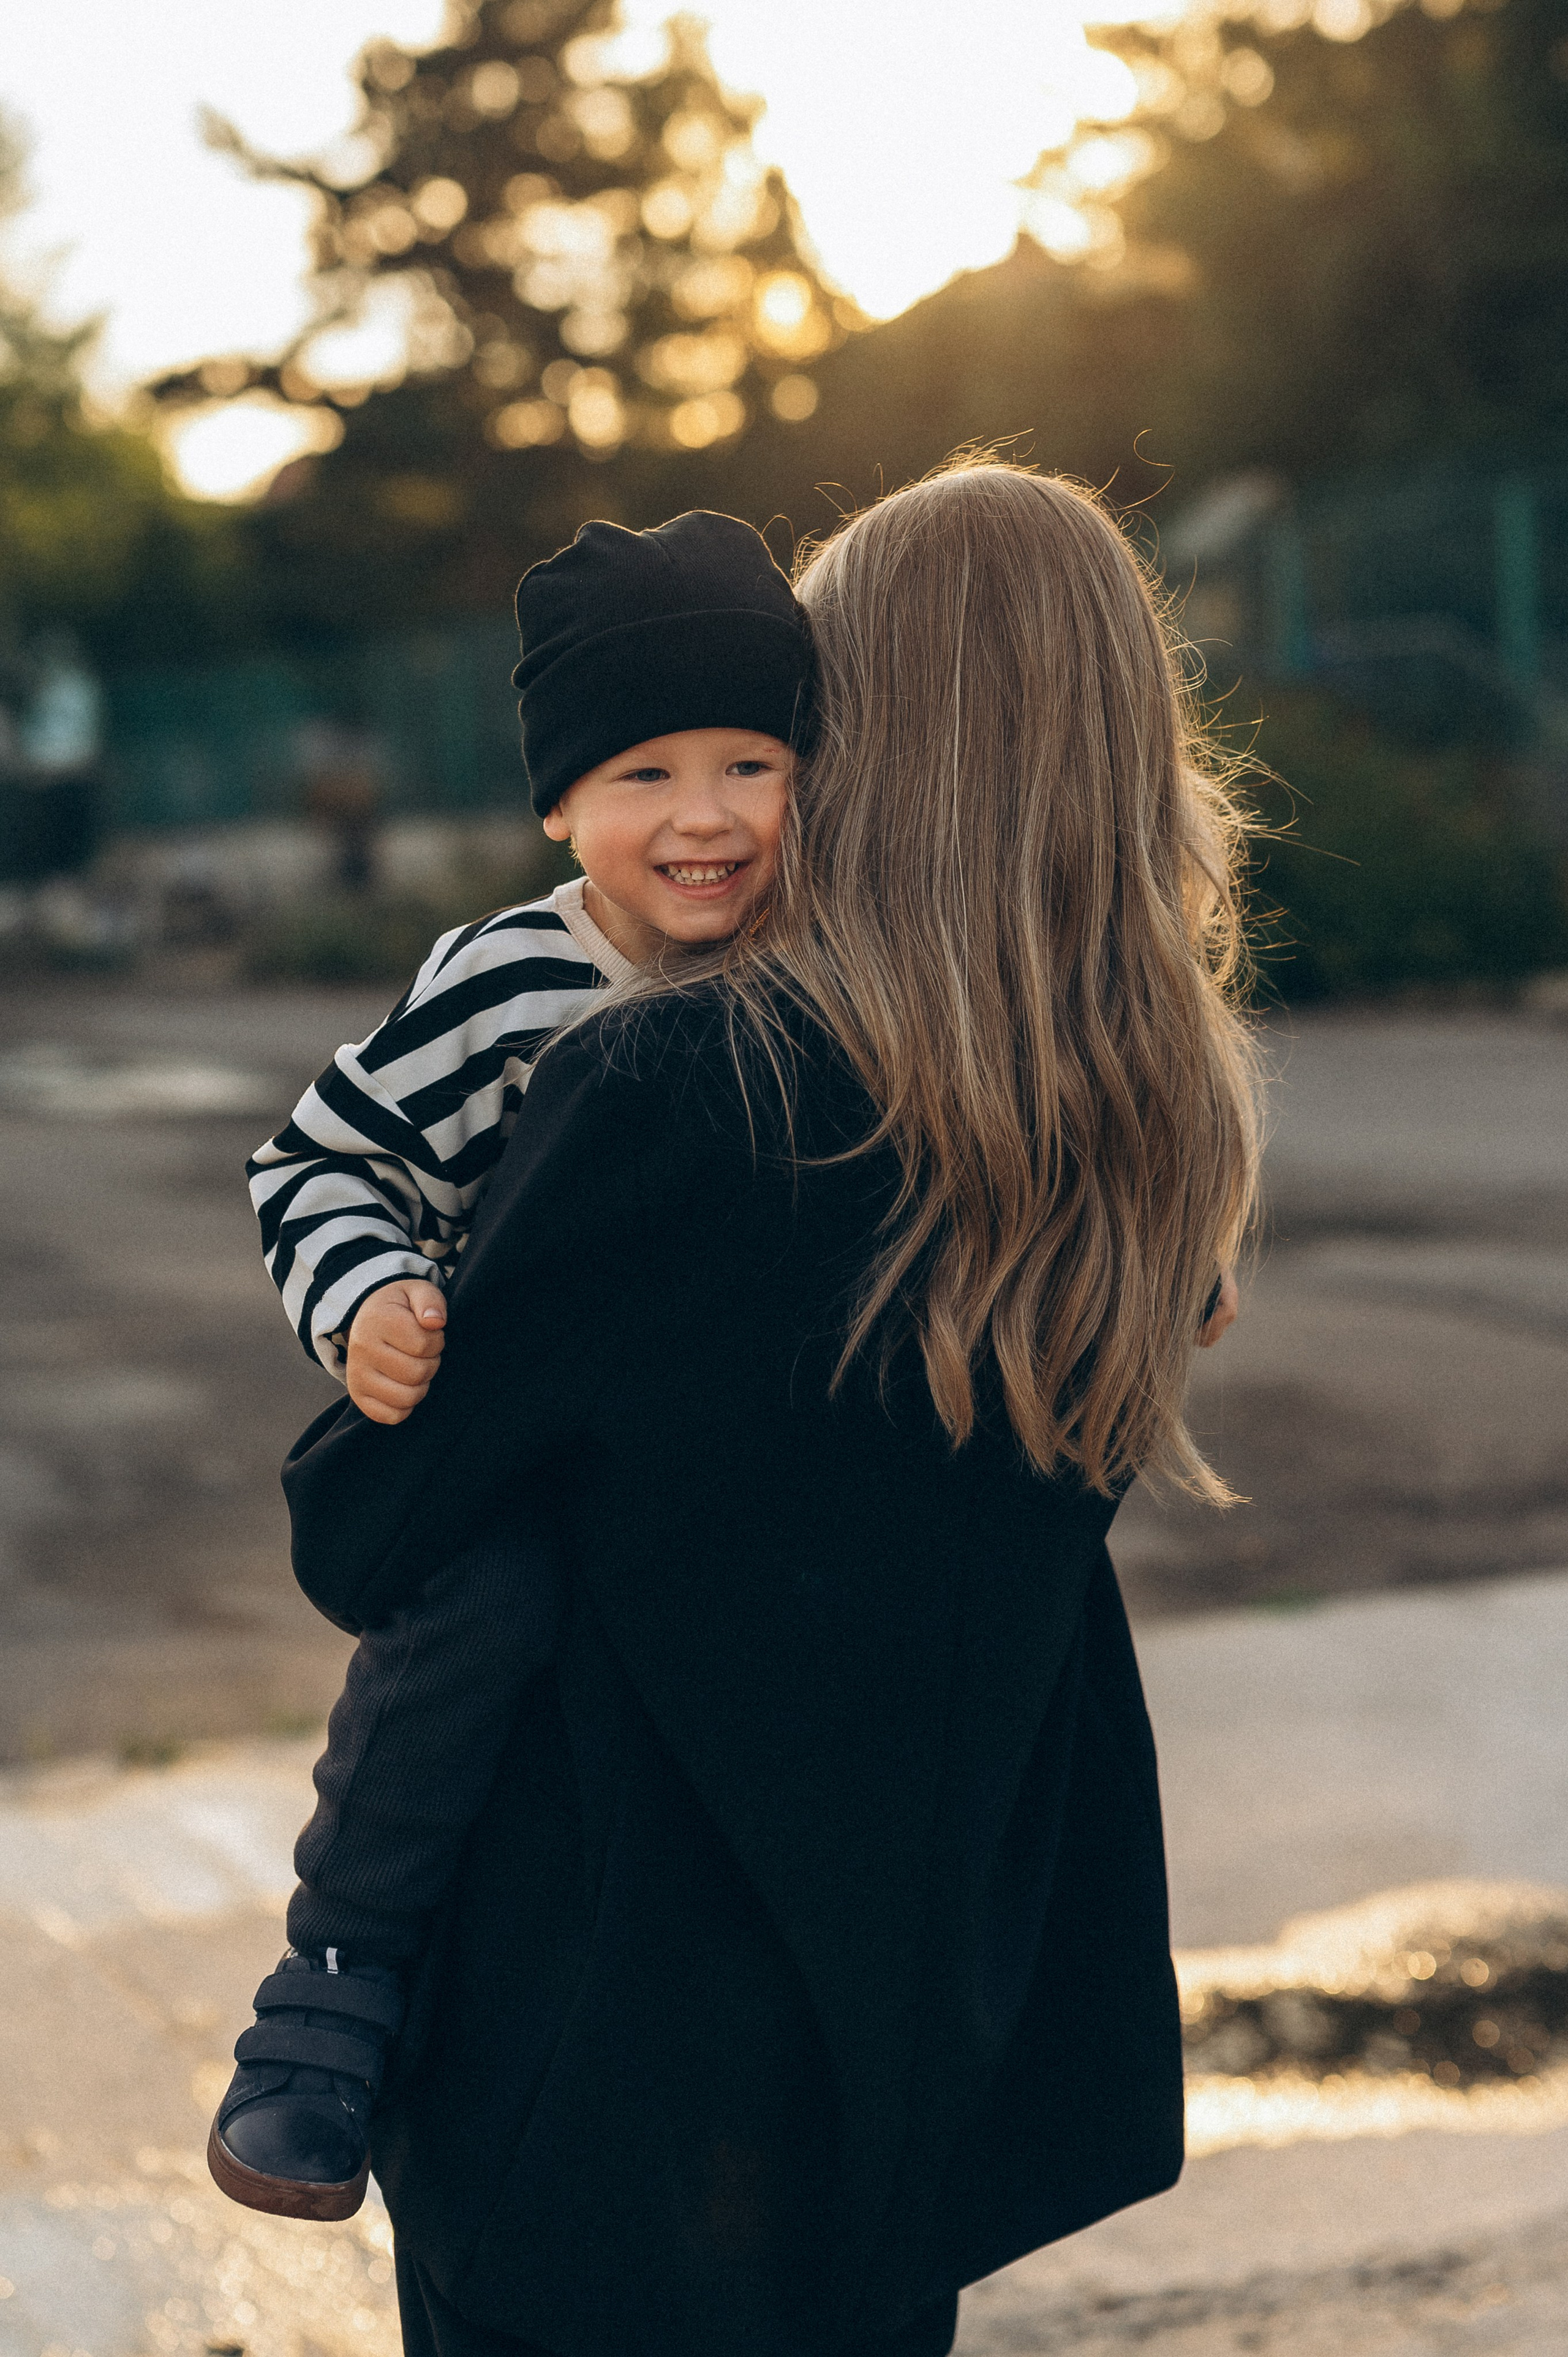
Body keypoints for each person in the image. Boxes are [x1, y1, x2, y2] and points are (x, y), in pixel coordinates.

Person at [262, 457, 1258, 2357]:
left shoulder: (679, 1089)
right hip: (907, 2053)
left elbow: (374, 1524)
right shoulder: (1149, 1130)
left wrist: (385, 1306)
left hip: (610, 2063)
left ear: (857, 740)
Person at [211, 510, 813, 2219]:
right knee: (480, 1610)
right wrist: (368, 1298)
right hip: (526, 1446)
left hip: (733, 1451)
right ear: (559, 804)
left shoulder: (842, 958)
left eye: (752, 763)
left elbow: (1017, 1128)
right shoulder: (510, 983)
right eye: (642, 774)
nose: (703, 816)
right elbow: (315, 1164)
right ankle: (335, 1983)